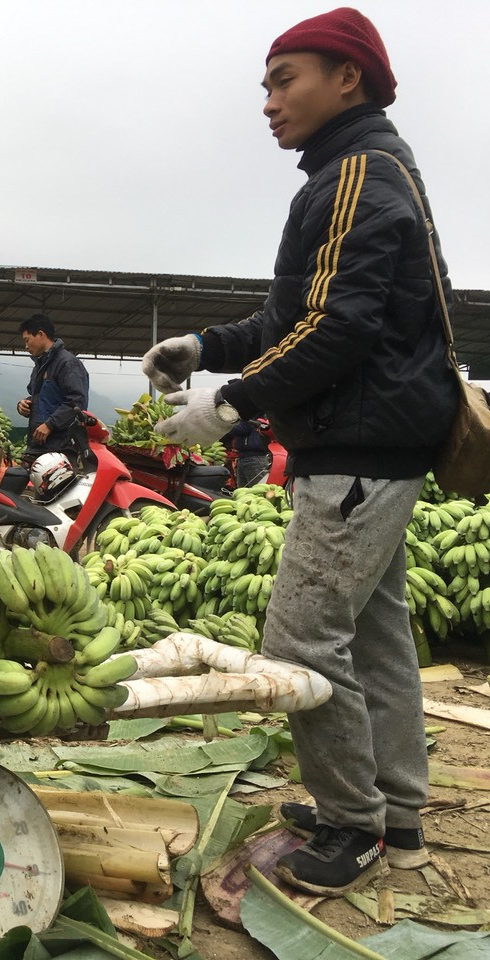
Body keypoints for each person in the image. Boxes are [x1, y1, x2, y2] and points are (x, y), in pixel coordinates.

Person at [142, 7, 457, 897]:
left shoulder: (358, 173)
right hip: (378, 446)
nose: (270, 104)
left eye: (286, 81)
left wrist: (232, 404)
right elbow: (293, 315)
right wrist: (204, 348)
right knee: (377, 639)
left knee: (302, 641)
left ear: (347, 78)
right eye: (266, 87)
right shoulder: (348, 173)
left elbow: (339, 327)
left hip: (359, 450)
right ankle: (393, 816)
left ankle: (353, 825)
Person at [16, 313, 89, 467]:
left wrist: (50, 425)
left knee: (61, 489)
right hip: (40, 447)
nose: (26, 346)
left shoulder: (67, 363)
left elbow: (77, 401)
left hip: (61, 448)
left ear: (41, 334)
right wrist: (24, 404)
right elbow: (42, 397)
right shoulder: (40, 366)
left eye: (27, 340)